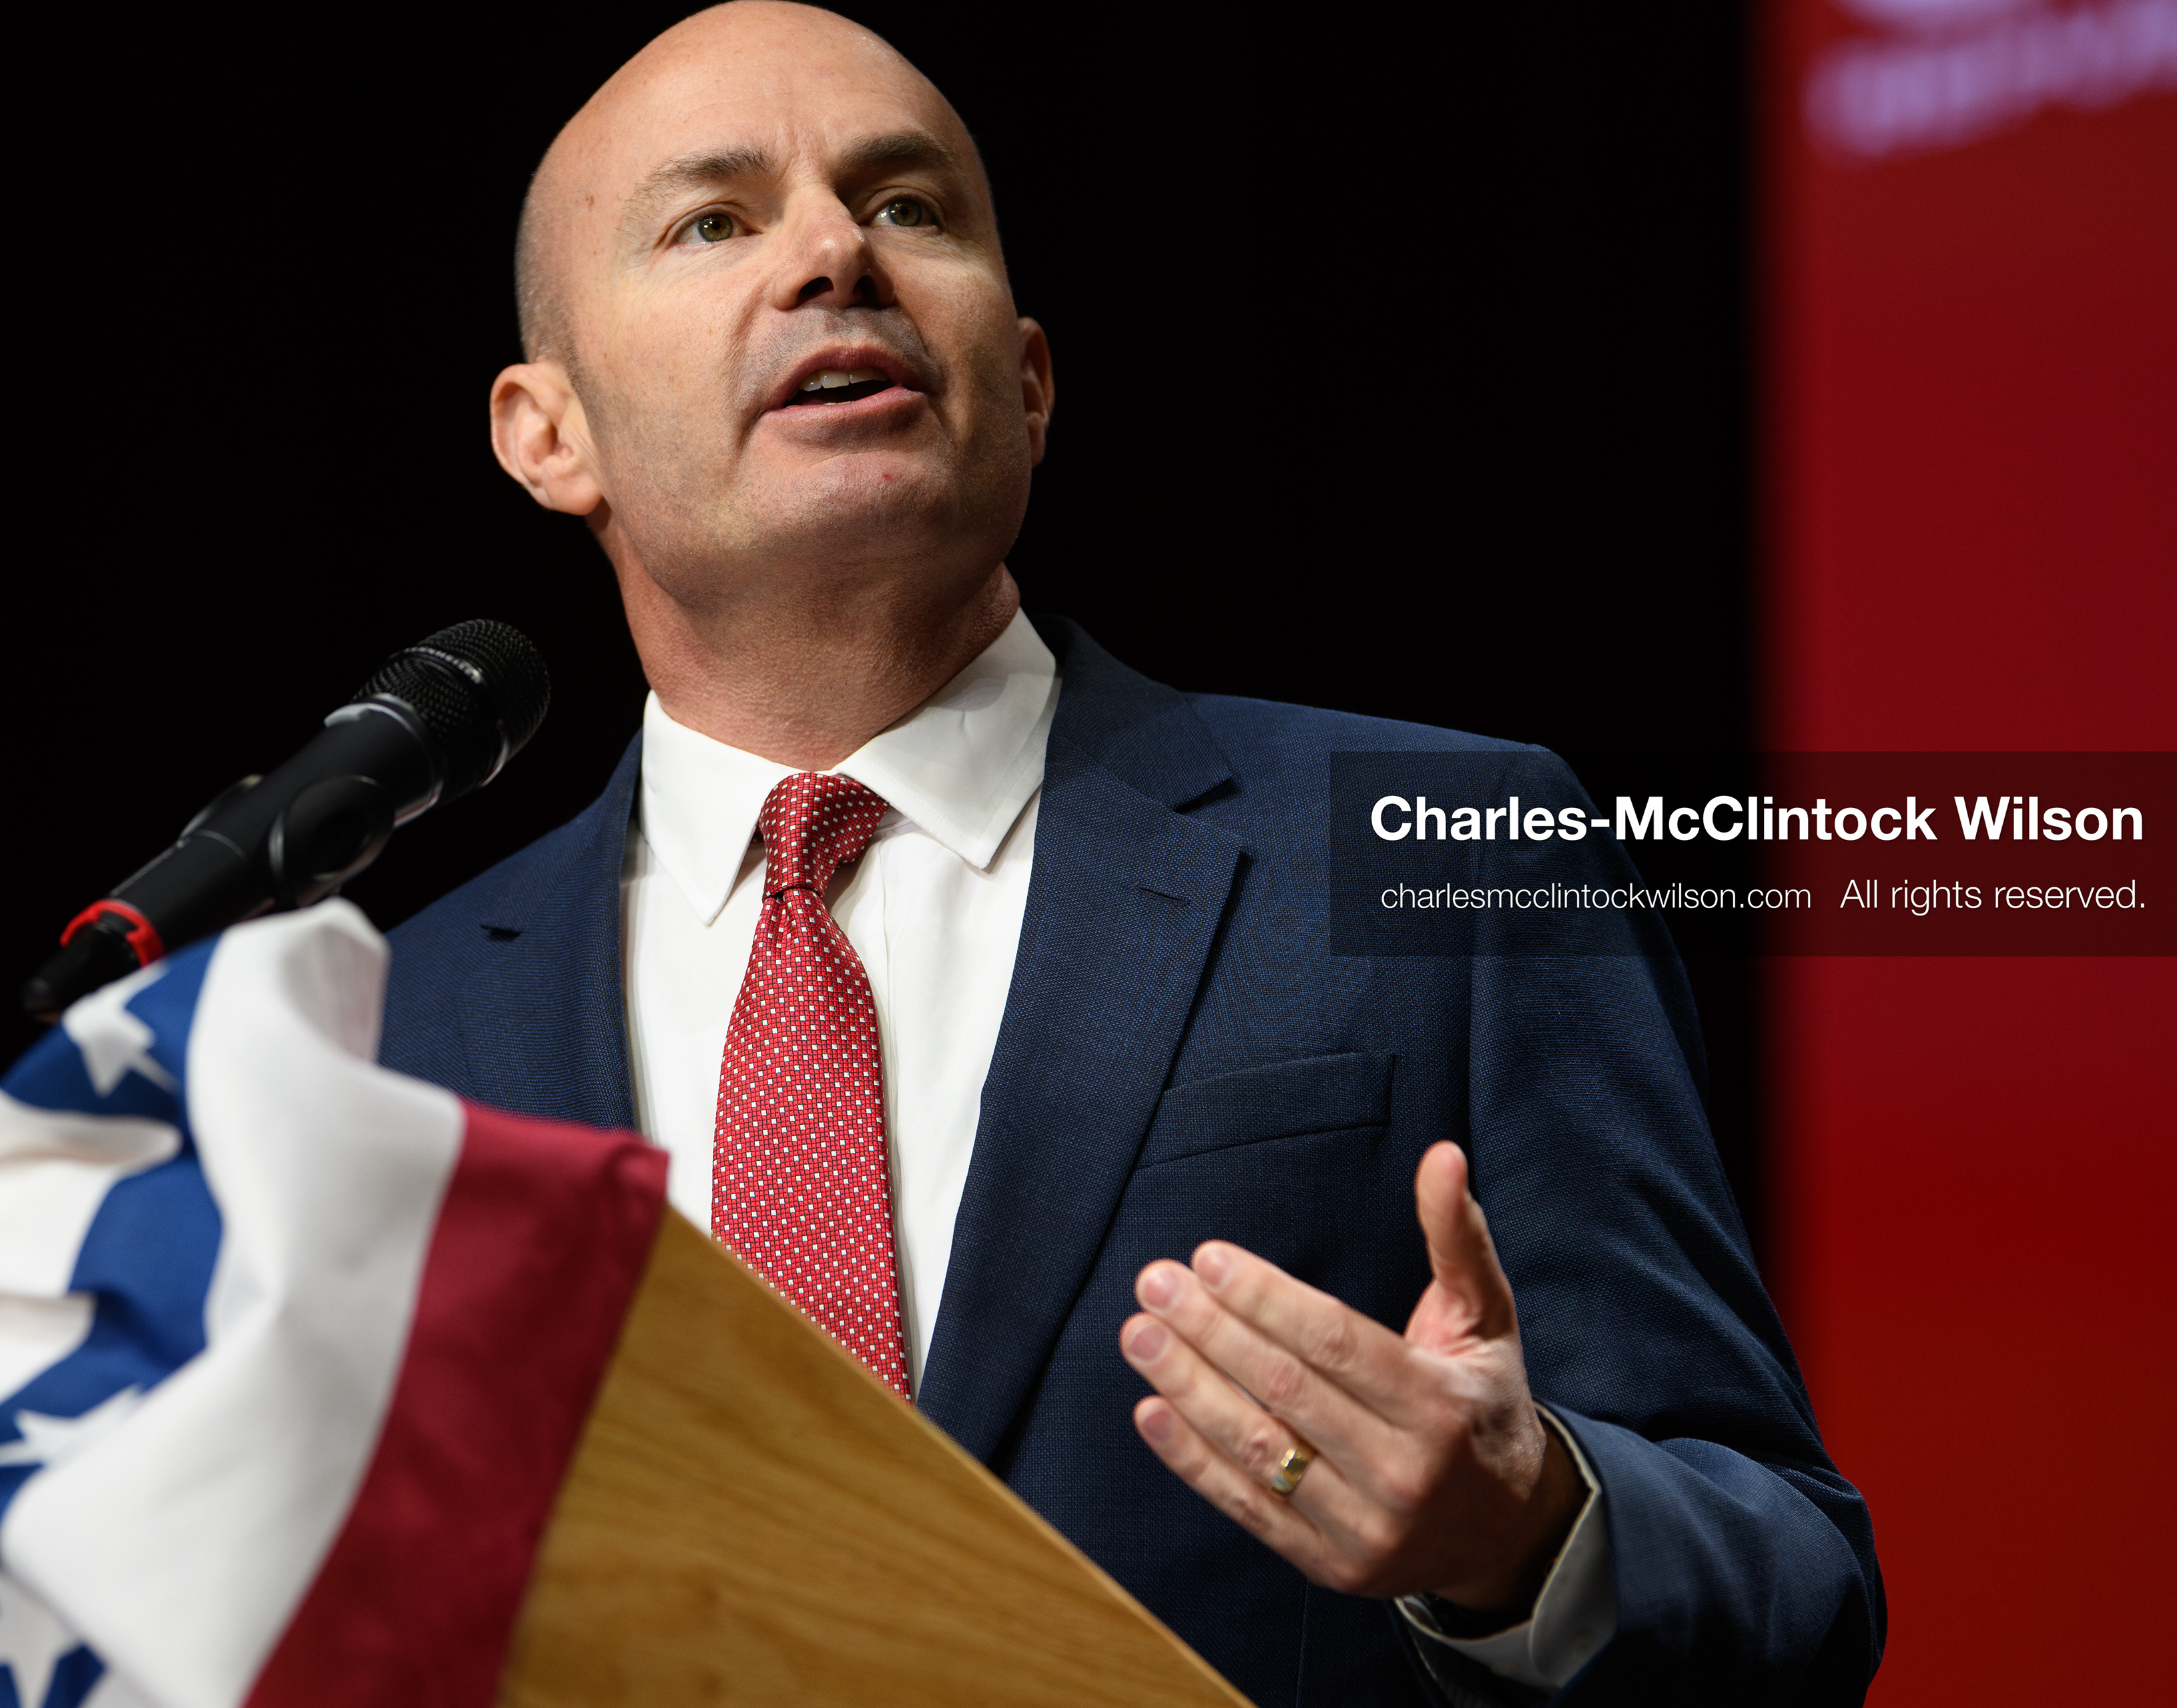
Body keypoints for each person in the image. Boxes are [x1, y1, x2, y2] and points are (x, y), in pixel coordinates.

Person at [379, 6, 1882, 1703]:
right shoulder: (388, 1038)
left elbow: (1795, 1571)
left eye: (910, 206)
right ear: (545, 430)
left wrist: (1524, 1532)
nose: (832, 255)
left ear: (1025, 381)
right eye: (714, 220)